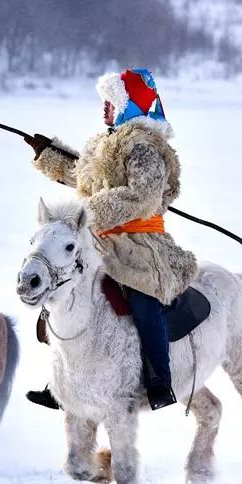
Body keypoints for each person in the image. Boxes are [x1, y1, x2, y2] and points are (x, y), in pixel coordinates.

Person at [25, 68, 197, 410]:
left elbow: (143, 196)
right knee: (61, 293)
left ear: (128, 103)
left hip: (140, 247)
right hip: (101, 242)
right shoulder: (105, 143)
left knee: (143, 301)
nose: (104, 109)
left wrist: (88, 212)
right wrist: (48, 154)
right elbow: (82, 177)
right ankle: (64, 380)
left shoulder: (145, 147)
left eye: (110, 102)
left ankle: (158, 380)